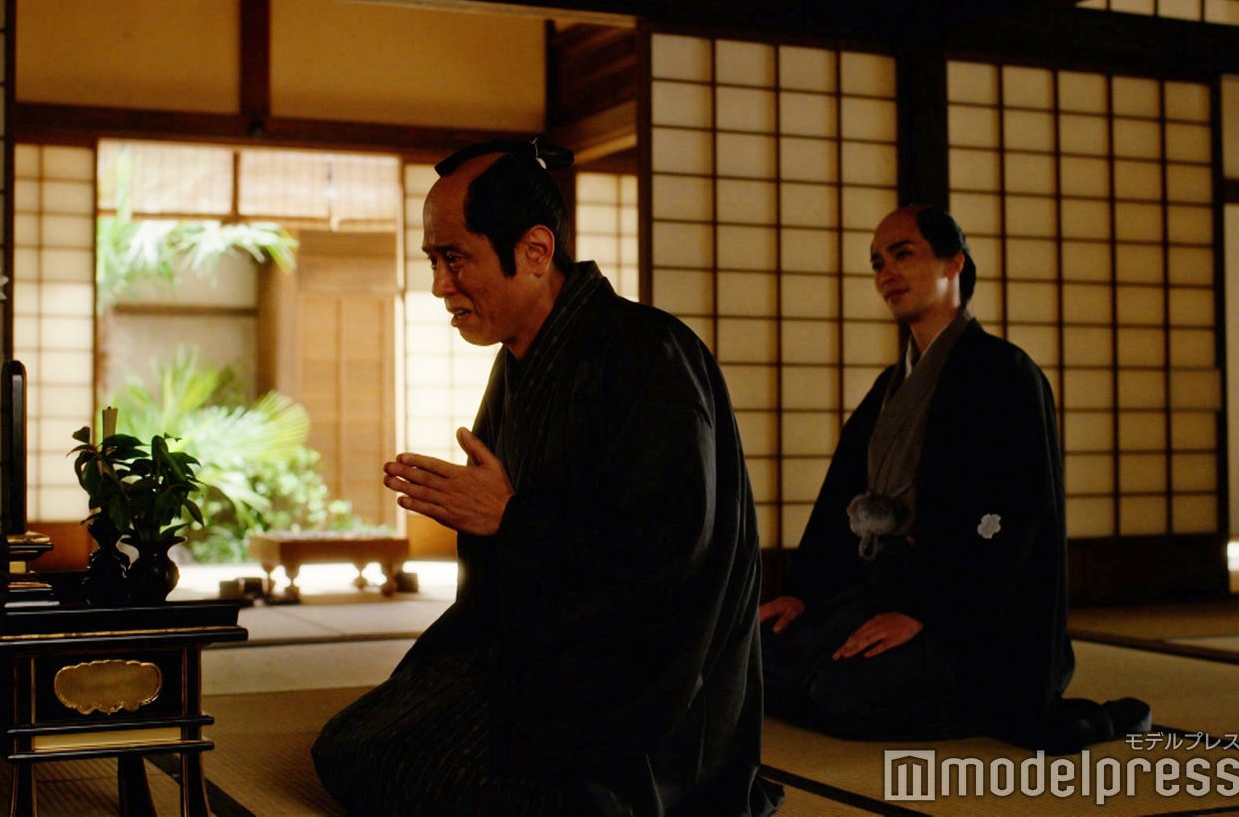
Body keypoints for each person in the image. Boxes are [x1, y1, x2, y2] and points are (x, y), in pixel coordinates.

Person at [312, 140, 781, 816]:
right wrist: (484, 519)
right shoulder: (520, 359)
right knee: (351, 745)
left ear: (534, 250)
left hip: (641, 677)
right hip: (543, 655)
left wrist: (511, 516)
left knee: (453, 776)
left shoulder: (649, 352)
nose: (440, 285)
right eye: (433, 260)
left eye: (455, 258)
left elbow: (674, 548)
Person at [758, 204, 1149, 754]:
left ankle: (966, 691)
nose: (886, 273)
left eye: (902, 254)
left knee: (841, 693)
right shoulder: (888, 388)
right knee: (758, 656)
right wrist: (802, 594)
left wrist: (925, 611)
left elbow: (1017, 518)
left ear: (953, 263)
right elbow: (837, 501)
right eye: (877, 263)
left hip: (964, 608)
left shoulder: (1005, 375)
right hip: (876, 587)